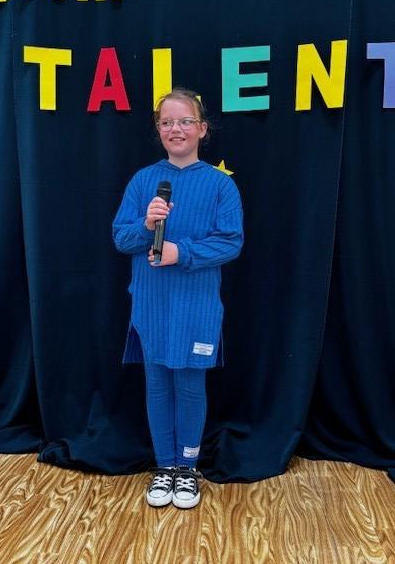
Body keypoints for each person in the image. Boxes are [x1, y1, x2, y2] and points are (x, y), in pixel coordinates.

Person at [112, 88, 243, 509]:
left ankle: (187, 468)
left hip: (196, 306)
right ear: (158, 129)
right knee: (157, 385)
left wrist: (179, 252)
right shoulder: (143, 181)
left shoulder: (221, 186)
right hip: (151, 305)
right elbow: (121, 238)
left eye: (185, 121)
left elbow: (231, 242)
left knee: (188, 384)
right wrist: (146, 226)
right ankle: (164, 466)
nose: (176, 129)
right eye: (167, 122)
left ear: (202, 129)